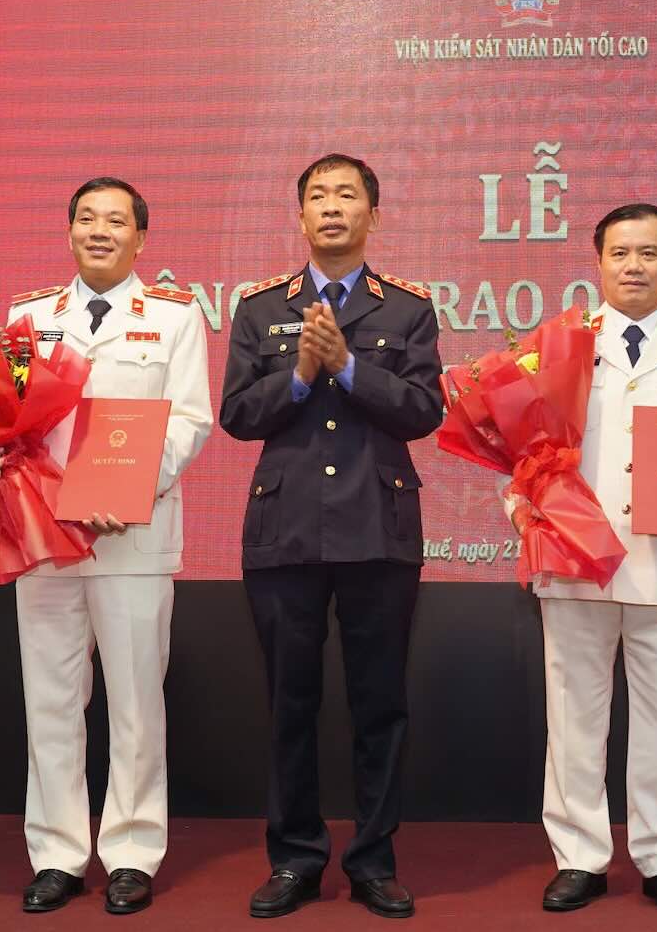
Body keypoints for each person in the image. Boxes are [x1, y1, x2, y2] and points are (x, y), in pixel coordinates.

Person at [0, 177, 212, 915]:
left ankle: (131, 850)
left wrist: (122, 490)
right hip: (43, 535)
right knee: (54, 699)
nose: (100, 230)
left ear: (140, 239)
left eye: (116, 220)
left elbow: (191, 421)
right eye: (87, 218)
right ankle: (58, 853)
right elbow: (0, 424)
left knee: (135, 703)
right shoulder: (30, 316)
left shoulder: (173, 315)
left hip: (131, 535)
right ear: (68, 232)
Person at [220, 154, 443, 919]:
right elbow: (238, 416)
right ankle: (296, 860)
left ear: (372, 215)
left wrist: (348, 367)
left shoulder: (408, 309)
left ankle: (374, 860)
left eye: (347, 195)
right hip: (284, 533)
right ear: (300, 216)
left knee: (380, 705)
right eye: (317, 196)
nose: (332, 208)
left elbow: (424, 411)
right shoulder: (260, 307)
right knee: (291, 704)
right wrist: (297, 376)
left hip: (379, 530)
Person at [508, 204, 657, 917]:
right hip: (576, 558)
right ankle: (579, 857)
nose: (633, 266)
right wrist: (520, 508)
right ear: (598, 262)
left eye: (648, 254)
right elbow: (523, 447)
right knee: (575, 718)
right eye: (619, 253)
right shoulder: (559, 347)